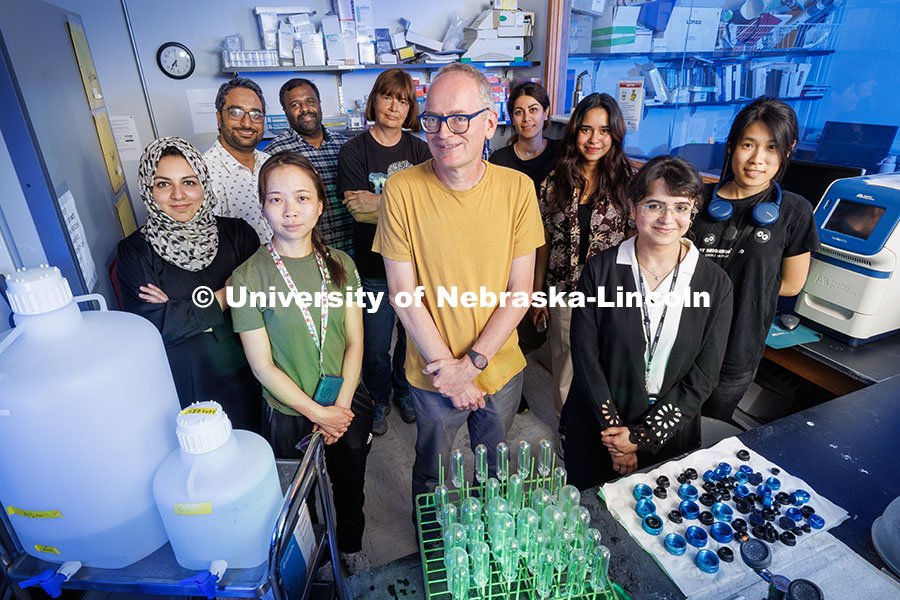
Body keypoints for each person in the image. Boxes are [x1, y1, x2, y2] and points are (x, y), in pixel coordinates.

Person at [372, 63, 544, 503]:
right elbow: (403, 295)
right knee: (433, 475)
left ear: (490, 122)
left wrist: (473, 366)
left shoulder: (518, 189)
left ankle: (494, 540)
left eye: (459, 119)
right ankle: (433, 555)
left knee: (496, 468)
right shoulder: (401, 190)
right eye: (433, 119)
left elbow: (520, 291)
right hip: (432, 373)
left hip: (498, 366)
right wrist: (451, 374)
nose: (444, 132)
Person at [231, 151, 373, 575]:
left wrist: (340, 409)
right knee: (300, 496)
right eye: (276, 200)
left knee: (350, 486)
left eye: (301, 198)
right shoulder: (247, 278)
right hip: (290, 412)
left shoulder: (342, 264)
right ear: (262, 207)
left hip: (346, 401)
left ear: (319, 204)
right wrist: (318, 413)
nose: (290, 210)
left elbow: (354, 341)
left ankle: (350, 547)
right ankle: (311, 563)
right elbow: (263, 367)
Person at [562, 156, 734, 489]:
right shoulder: (601, 270)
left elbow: (704, 374)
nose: (667, 218)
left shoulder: (714, 284)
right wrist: (616, 438)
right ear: (633, 206)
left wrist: (641, 437)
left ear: (693, 210)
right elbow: (585, 356)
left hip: (670, 434)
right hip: (597, 425)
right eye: (654, 205)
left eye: (681, 207)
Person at [116, 136, 262, 432]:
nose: (179, 195)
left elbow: (263, 301)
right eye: (163, 184)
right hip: (189, 386)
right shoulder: (135, 251)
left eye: (189, 182)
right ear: (148, 189)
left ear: (204, 184)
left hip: (254, 371)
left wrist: (178, 310)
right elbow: (156, 327)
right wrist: (225, 296)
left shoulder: (239, 234)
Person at [692, 97, 819, 424]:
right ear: (732, 145)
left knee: (708, 435)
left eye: (771, 148)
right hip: (682, 346)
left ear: (787, 151)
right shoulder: (696, 201)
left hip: (738, 351)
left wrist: (745, 291)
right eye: (748, 144)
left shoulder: (795, 211)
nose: (757, 159)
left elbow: (791, 285)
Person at [337, 69, 431, 435]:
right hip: (373, 267)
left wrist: (382, 204)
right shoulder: (354, 150)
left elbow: (433, 211)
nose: (394, 106)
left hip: (418, 268)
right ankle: (377, 397)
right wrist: (411, 208)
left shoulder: (420, 149)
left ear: (410, 107)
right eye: (388, 97)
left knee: (412, 340)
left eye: (403, 100)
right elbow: (358, 210)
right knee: (374, 345)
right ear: (375, 100)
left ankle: (404, 390)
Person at [536, 92, 634, 421]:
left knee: (607, 367)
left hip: (612, 294)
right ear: (575, 131)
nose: (594, 139)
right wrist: (538, 294)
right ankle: (568, 430)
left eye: (604, 130)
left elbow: (637, 241)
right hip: (563, 291)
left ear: (615, 134)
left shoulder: (629, 182)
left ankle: (603, 429)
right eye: (586, 129)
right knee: (566, 365)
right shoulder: (553, 182)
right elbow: (543, 242)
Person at [488, 81, 562, 413]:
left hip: (554, 248)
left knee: (541, 328)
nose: (526, 118)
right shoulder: (500, 159)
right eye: (518, 112)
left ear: (546, 114)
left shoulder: (562, 155)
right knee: (510, 324)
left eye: (533, 110)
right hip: (511, 253)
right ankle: (511, 388)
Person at [266, 78, 353, 256]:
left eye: (310, 101)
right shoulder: (275, 153)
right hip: (307, 256)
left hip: (353, 250)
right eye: (295, 104)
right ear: (285, 111)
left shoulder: (346, 146)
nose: (305, 109)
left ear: (319, 104)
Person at [203, 77, 272, 243]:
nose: (247, 123)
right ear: (219, 118)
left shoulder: (270, 164)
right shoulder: (202, 173)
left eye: (256, 114)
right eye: (236, 113)